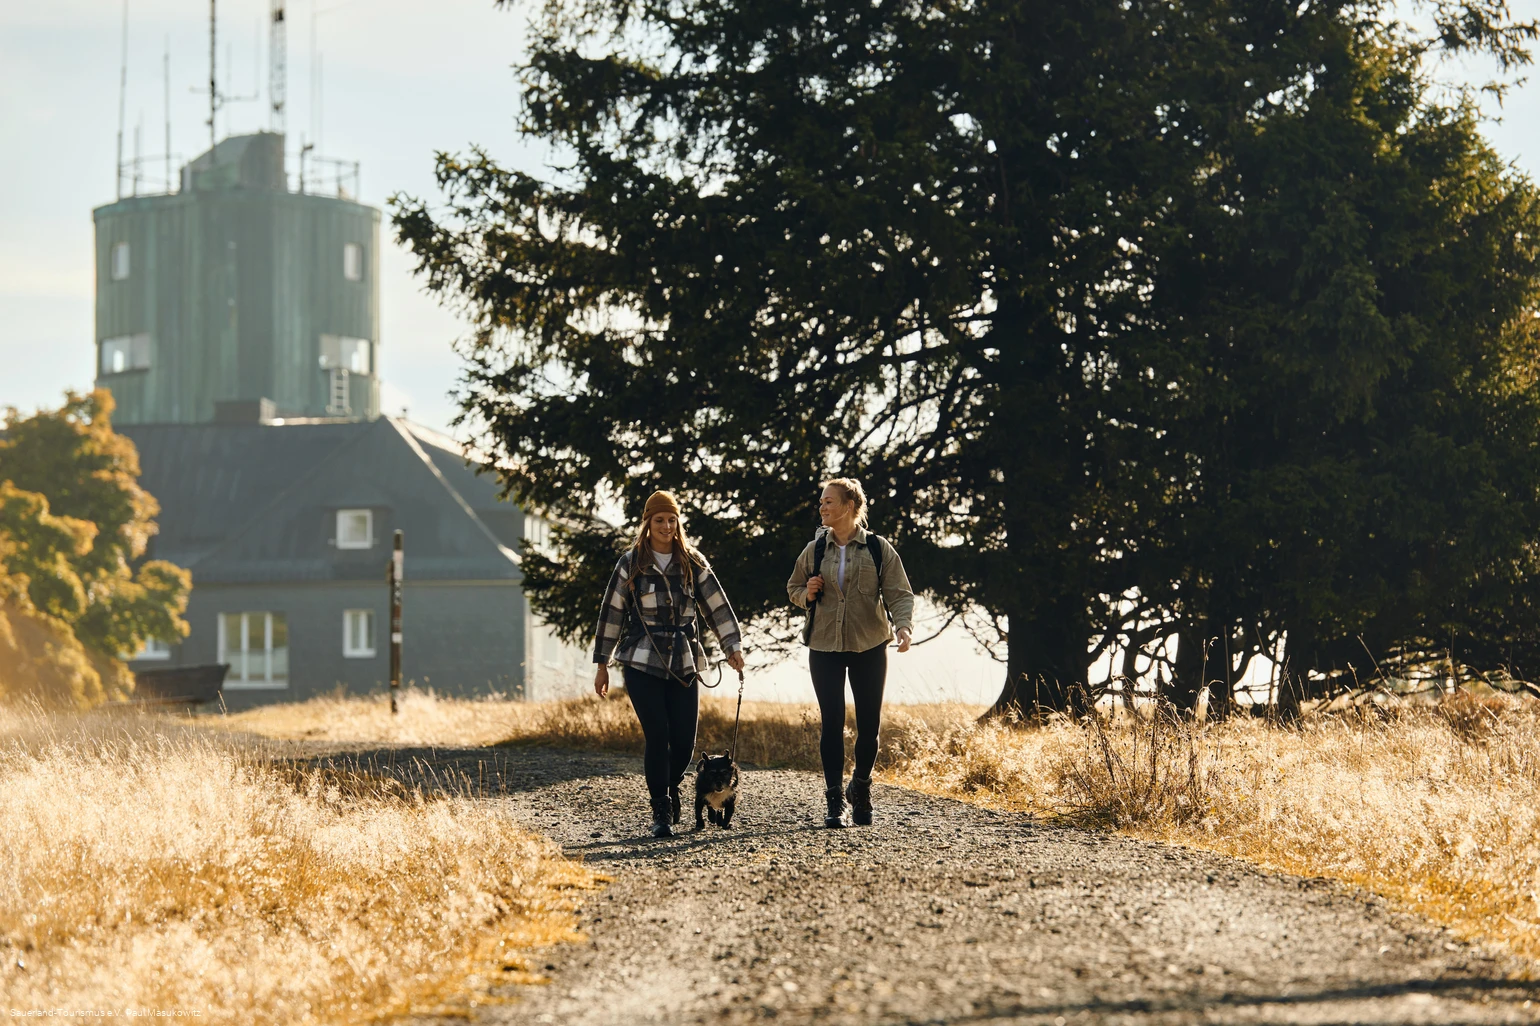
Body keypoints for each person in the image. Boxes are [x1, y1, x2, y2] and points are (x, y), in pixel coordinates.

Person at [593, 490, 746, 838]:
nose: (665, 526)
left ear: (678, 523)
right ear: (648, 523)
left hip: (684, 660)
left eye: (671, 520)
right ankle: (661, 808)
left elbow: (716, 605)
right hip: (640, 659)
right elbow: (612, 612)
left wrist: (731, 646)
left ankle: (671, 784)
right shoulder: (630, 563)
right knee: (657, 734)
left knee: (684, 743)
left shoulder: (692, 562)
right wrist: (602, 663)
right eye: (659, 520)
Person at [786, 478, 914, 827]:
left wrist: (903, 626)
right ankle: (834, 801)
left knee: (869, 726)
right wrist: (806, 593)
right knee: (832, 723)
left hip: (869, 645)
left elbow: (900, 593)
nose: (823, 507)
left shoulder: (878, 548)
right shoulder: (814, 550)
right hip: (824, 645)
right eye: (822, 502)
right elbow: (793, 587)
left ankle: (861, 787)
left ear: (849, 506)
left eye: (829, 502)